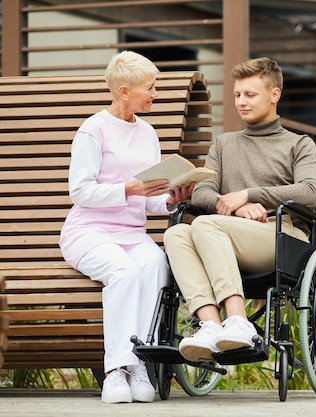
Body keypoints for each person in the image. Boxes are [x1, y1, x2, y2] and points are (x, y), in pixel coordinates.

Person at [163, 57, 316, 362]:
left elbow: (311, 192)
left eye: (250, 95)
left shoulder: (299, 144)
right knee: (177, 234)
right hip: (227, 232)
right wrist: (239, 208)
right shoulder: (225, 144)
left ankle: (239, 321)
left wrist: (249, 194)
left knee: (205, 225)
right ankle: (211, 324)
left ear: (274, 94)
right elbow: (203, 191)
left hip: (280, 236)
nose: (241, 102)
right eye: (237, 95)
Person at [59, 50, 194, 404]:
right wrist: (127, 189)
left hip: (131, 235)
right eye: (150, 88)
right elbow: (80, 191)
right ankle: (115, 370)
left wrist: (170, 199)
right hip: (89, 232)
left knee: (155, 265)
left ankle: (138, 361)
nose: (155, 94)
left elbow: (148, 200)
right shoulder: (94, 129)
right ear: (123, 91)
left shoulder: (147, 133)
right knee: (124, 272)